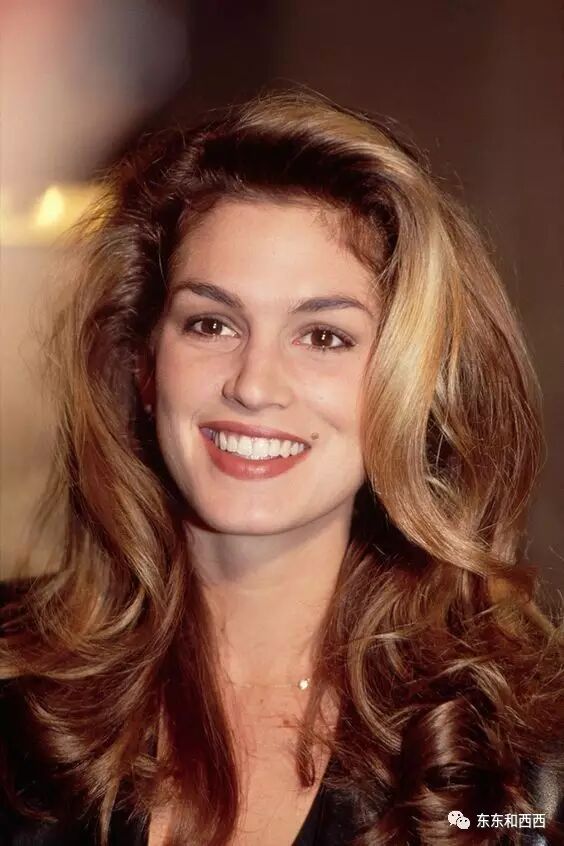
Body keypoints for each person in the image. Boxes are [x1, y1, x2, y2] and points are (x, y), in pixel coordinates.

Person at [0, 90, 562, 846]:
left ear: (413, 386)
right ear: (144, 365)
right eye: (211, 323)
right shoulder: (17, 683)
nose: (254, 385)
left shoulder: (523, 758)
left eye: (324, 337)